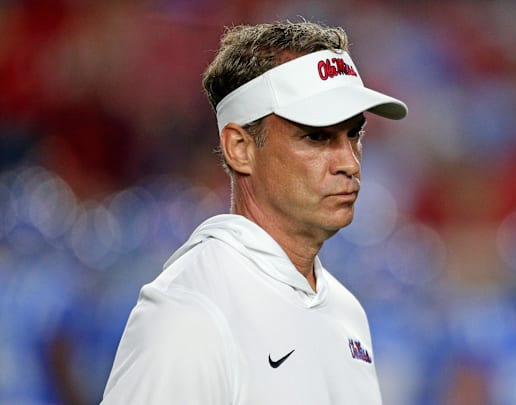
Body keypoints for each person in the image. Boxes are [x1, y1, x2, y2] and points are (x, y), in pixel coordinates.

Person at [100, 21, 407, 404]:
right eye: (316, 136)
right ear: (240, 148)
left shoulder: (347, 311)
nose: (350, 162)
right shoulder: (191, 311)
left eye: (354, 135)